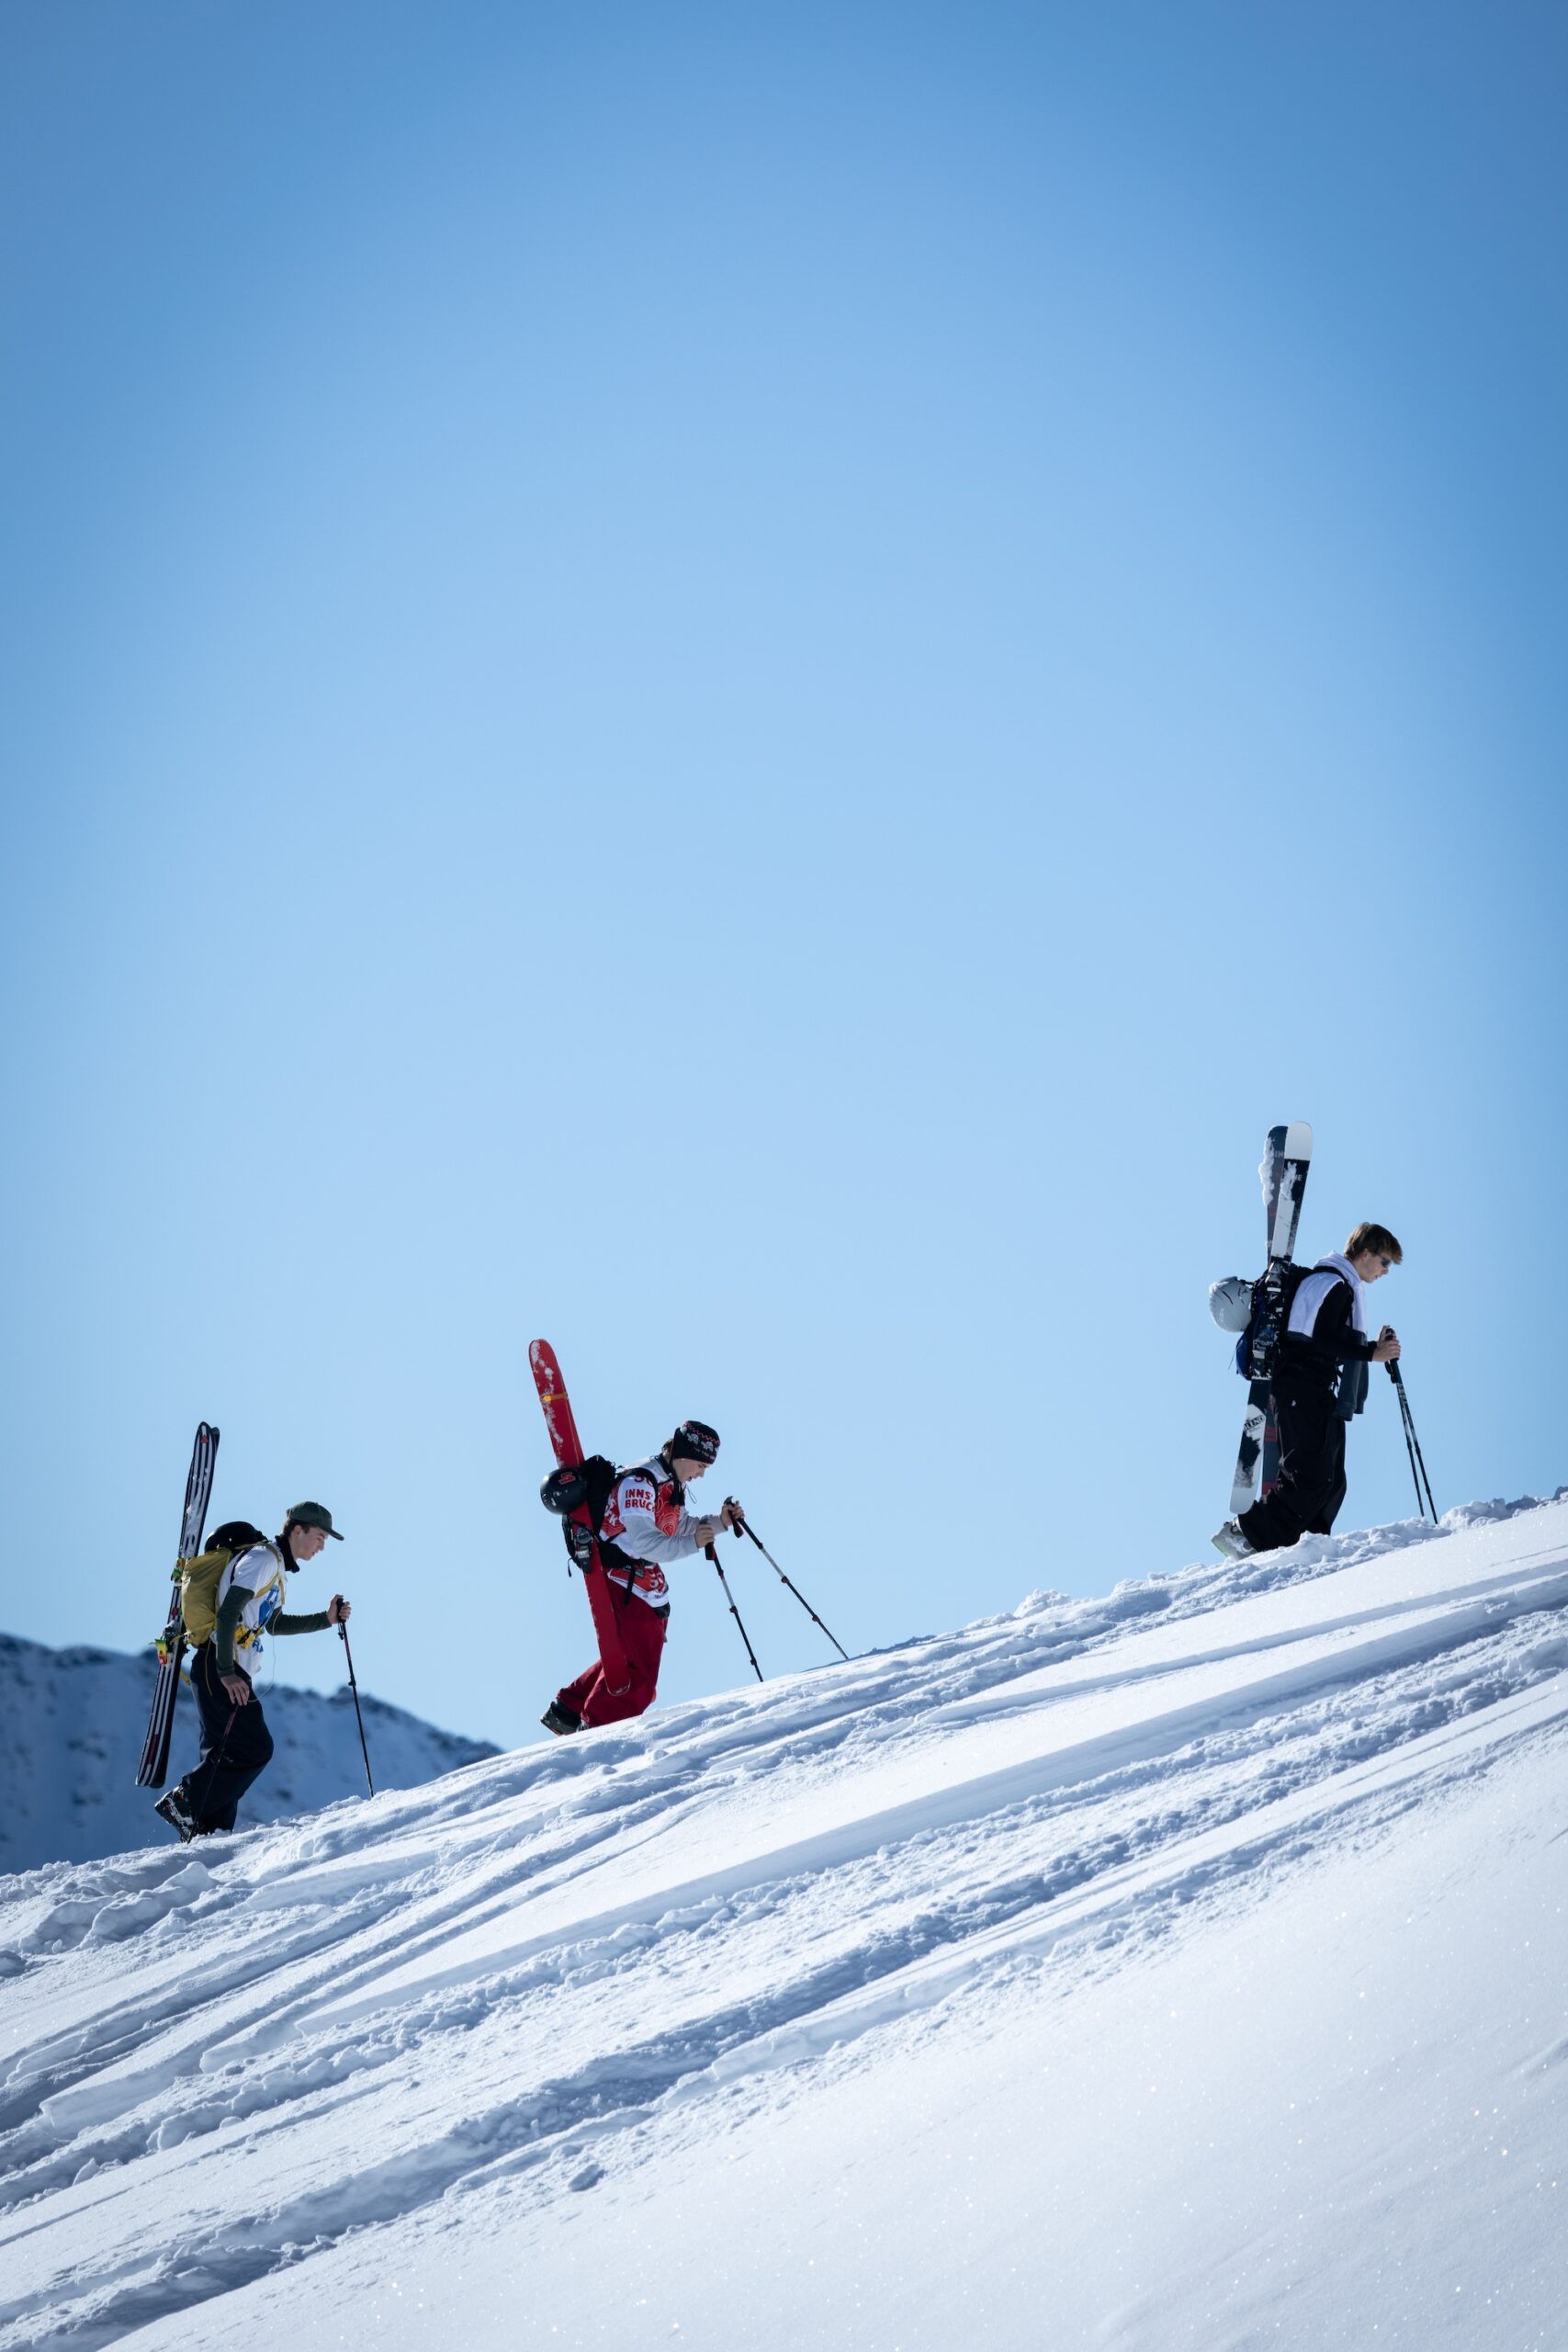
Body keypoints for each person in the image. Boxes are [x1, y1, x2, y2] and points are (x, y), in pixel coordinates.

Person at [154, 1502, 350, 1839]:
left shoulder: (274, 1569)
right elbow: (230, 1611)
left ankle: (206, 1837)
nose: (322, 1546)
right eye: (319, 1537)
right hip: (221, 1668)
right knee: (255, 1749)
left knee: (226, 1757)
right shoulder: (263, 1560)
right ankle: (185, 1802)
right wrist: (228, 1671)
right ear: (298, 1529)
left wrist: (326, 1619)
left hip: (221, 1668)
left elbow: (271, 1624)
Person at [1213, 1224, 1403, 1559]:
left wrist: (1371, 1347)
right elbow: (1314, 1337)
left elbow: (1327, 1338)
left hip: (1315, 1390)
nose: (1387, 1271)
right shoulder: (1329, 1283)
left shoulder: (1340, 1286)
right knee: (1309, 1476)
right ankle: (1246, 1534)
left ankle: (1307, 1548)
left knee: (1331, 1481)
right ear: (1365, 1253)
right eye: (1385, 1261)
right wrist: (1371, 1352)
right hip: (1301, 1389)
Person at [542, 1420, 741, 1735]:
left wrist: (720, 1522)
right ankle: (597, 1730)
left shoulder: (668, 1480)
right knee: (639, 1675)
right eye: (701, 1465)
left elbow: (674, 1525)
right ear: (685, 1453)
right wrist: (694, 1543)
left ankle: (569, 1708)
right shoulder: (639, 1483)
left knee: (630, 1656)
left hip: (641, 1581)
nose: (702, 1474)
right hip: (622, 1578)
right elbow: (644, 1542)